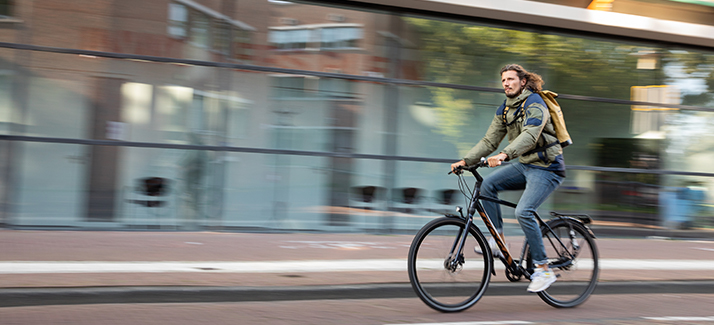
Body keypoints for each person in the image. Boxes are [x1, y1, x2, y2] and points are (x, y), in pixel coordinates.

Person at [450, 64, 566, 293]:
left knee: (523, 211)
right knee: (488, 185)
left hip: (547, 168)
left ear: (522, 82)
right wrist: (466, 161)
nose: (506, 83)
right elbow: (489, 141)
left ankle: (543, 269)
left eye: (511, 79)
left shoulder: (535, 103)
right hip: (525, 165)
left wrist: (504, 155)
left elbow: (531, 135)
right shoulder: (505, 109)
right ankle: (498, 241)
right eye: (503, 80)